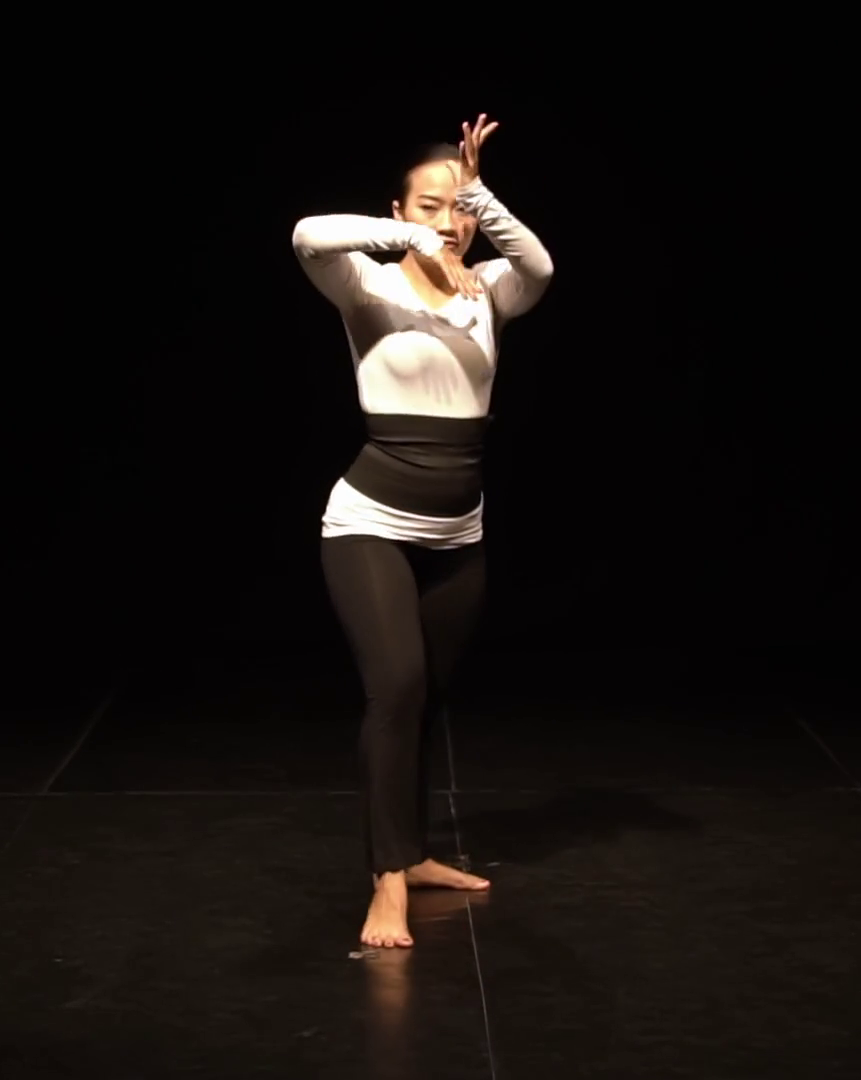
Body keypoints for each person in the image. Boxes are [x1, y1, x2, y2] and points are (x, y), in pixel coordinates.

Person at [290, 114, 553, 949]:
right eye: (430, 205)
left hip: (458, 534)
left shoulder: (491, 290)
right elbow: (307, 234)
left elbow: (540, 265)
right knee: (395, 687)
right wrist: (411, 237)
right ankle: (386, 880)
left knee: (426, 698)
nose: (450, 223)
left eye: (460, 209)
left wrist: (480, 196)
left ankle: (415, 853)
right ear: (399, 210)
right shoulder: (366, 286)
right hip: (368, 522)